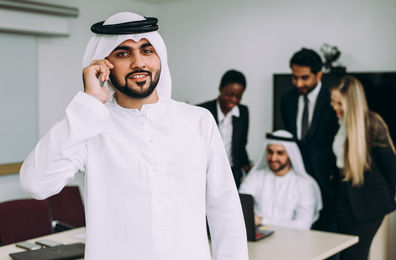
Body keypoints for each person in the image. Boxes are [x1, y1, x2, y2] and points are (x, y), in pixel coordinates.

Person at [19, 12, 248, 260]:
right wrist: (89, 105)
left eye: (147, 51)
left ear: (160, 57)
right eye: (123, 53)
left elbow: (225, 213)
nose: (139, 63)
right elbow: (35, 183)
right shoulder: (89, 125)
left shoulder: (198, 121)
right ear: (103, 65)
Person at [330, 75, 396, 260]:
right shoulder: (340, 122)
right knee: (346, 254)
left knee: (354, 256)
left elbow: (390, 166)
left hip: (369, 203)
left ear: (351, 103)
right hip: (345, 198)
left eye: (339, 103)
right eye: (333, 101)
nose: (334, 107)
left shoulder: (372, 124)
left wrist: (387, 195)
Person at [280, 48, 339, 232]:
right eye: (294, 77)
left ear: (319, 75)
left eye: (304, 77)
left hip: (328, 184)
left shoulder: (333, 100)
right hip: (297, 182)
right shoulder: (286, 99)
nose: (298, 83)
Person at [239, 130, 322, 230]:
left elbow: (303, 225)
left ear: (290, 155)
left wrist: (263, 221)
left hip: (293, 240)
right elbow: (240, 209)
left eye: (280, 153)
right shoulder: (255, 177)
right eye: (270, 152)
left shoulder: (305, 184)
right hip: (258, 237)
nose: (273, 158)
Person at [198, 70, 251, 188]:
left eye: (239, 96)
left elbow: (242, 144)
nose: (234, 100)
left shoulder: (243, 112)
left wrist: (248, 167)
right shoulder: (203, 111)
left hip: (232, 173)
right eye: (229, 94)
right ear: (220, 89)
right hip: (206, 172)